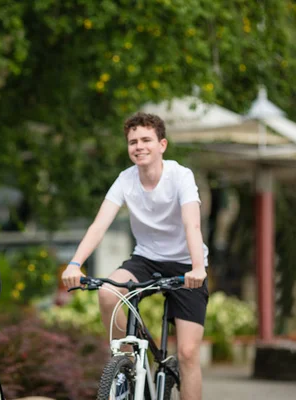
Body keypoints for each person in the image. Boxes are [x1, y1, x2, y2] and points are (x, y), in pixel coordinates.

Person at [62, 112, 208, 400]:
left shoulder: (180, 176)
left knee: (189, 353)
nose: (138, 146)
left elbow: (192, 224)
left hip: (186, 264)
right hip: (145, 259)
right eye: (132, 142)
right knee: (107, 293)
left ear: (162, 145)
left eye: (146, 140)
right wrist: (74, 264)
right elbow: (98, 225)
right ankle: (126, 361)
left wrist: (198, 268)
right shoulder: (125, 180)